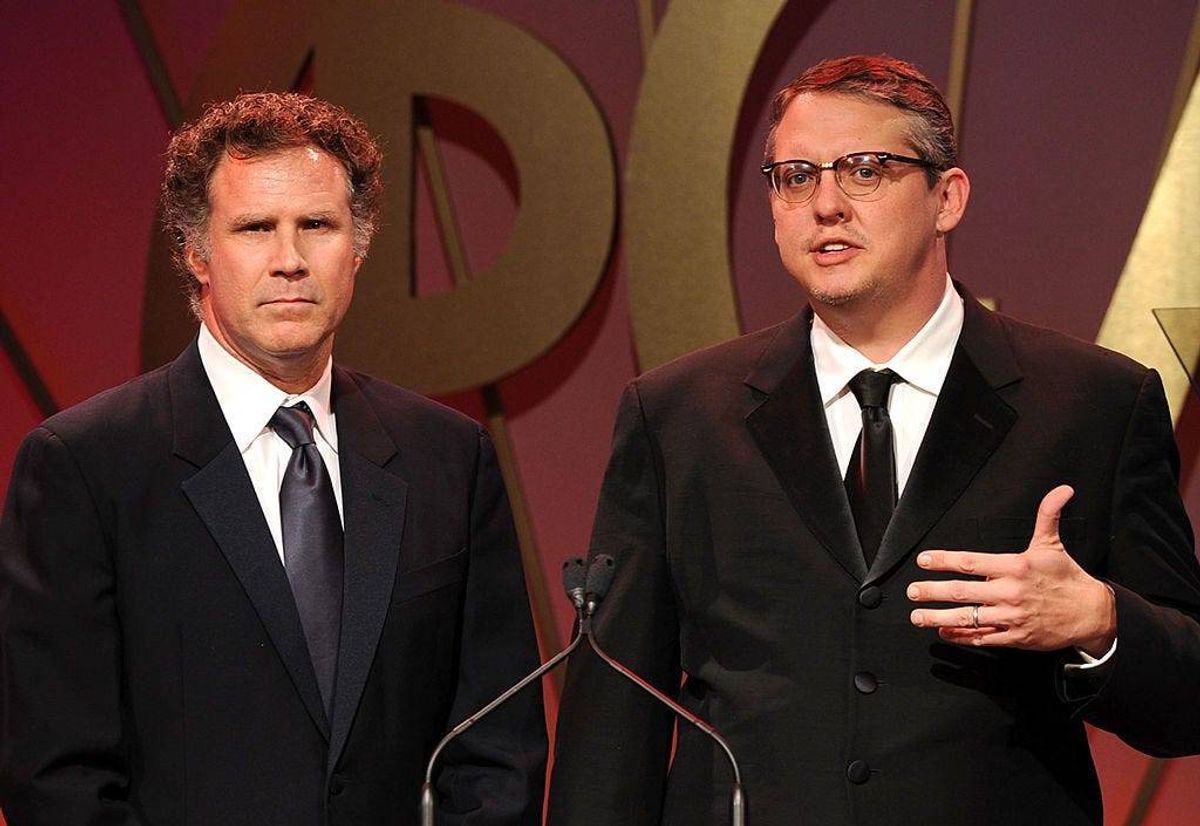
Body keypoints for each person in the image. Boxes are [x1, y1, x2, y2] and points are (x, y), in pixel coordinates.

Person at [547, 55, 1200, 825]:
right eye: (795, 176)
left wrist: (1100, 621)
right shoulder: (678, 414)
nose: (825, 204)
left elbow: (1186, 701)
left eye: (864, 170)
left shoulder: (1094, 402)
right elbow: (615, 713)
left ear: (946, 197)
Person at [0, 92, 546, 825]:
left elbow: (496, 749)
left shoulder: (448, 457)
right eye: (255, 228)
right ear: (195, 251)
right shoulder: (86, 466)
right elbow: (58, 776)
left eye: (316, 225)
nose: (289, 261)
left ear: (358, 246)